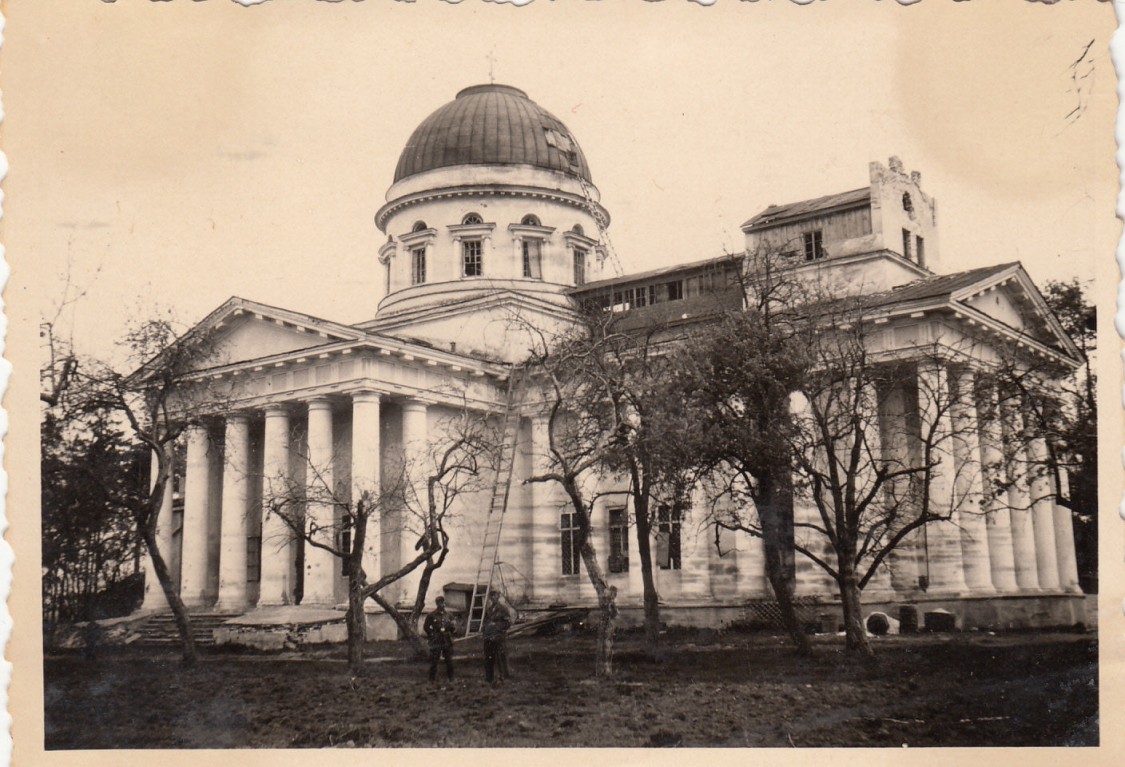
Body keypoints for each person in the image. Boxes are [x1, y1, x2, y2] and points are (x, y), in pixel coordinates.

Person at [482, 590, 513, 686]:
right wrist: (485, 630)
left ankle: (503, 677)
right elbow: (485, 622)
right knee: (489, 657)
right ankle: (489, 678)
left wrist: (496, 625)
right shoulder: (489, 609)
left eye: (494, 596)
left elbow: (508, 623)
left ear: (498, 597)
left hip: (498, 636)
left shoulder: (503, 609)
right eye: (491, 596)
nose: (492, 598)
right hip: (489, 636)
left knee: (501, 657)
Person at [424, 595, 457, 683]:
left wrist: (451, 631)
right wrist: (432, 635)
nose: (442, 605)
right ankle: (431, 679)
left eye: (443, 603)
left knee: (449, 660)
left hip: (446, 640)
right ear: (437, 604)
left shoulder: (449, 615)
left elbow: (453, 627)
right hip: (436, 640)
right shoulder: (431, 615)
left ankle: (451, 679)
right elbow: (426, 627)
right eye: (439, 603)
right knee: (434, 660)